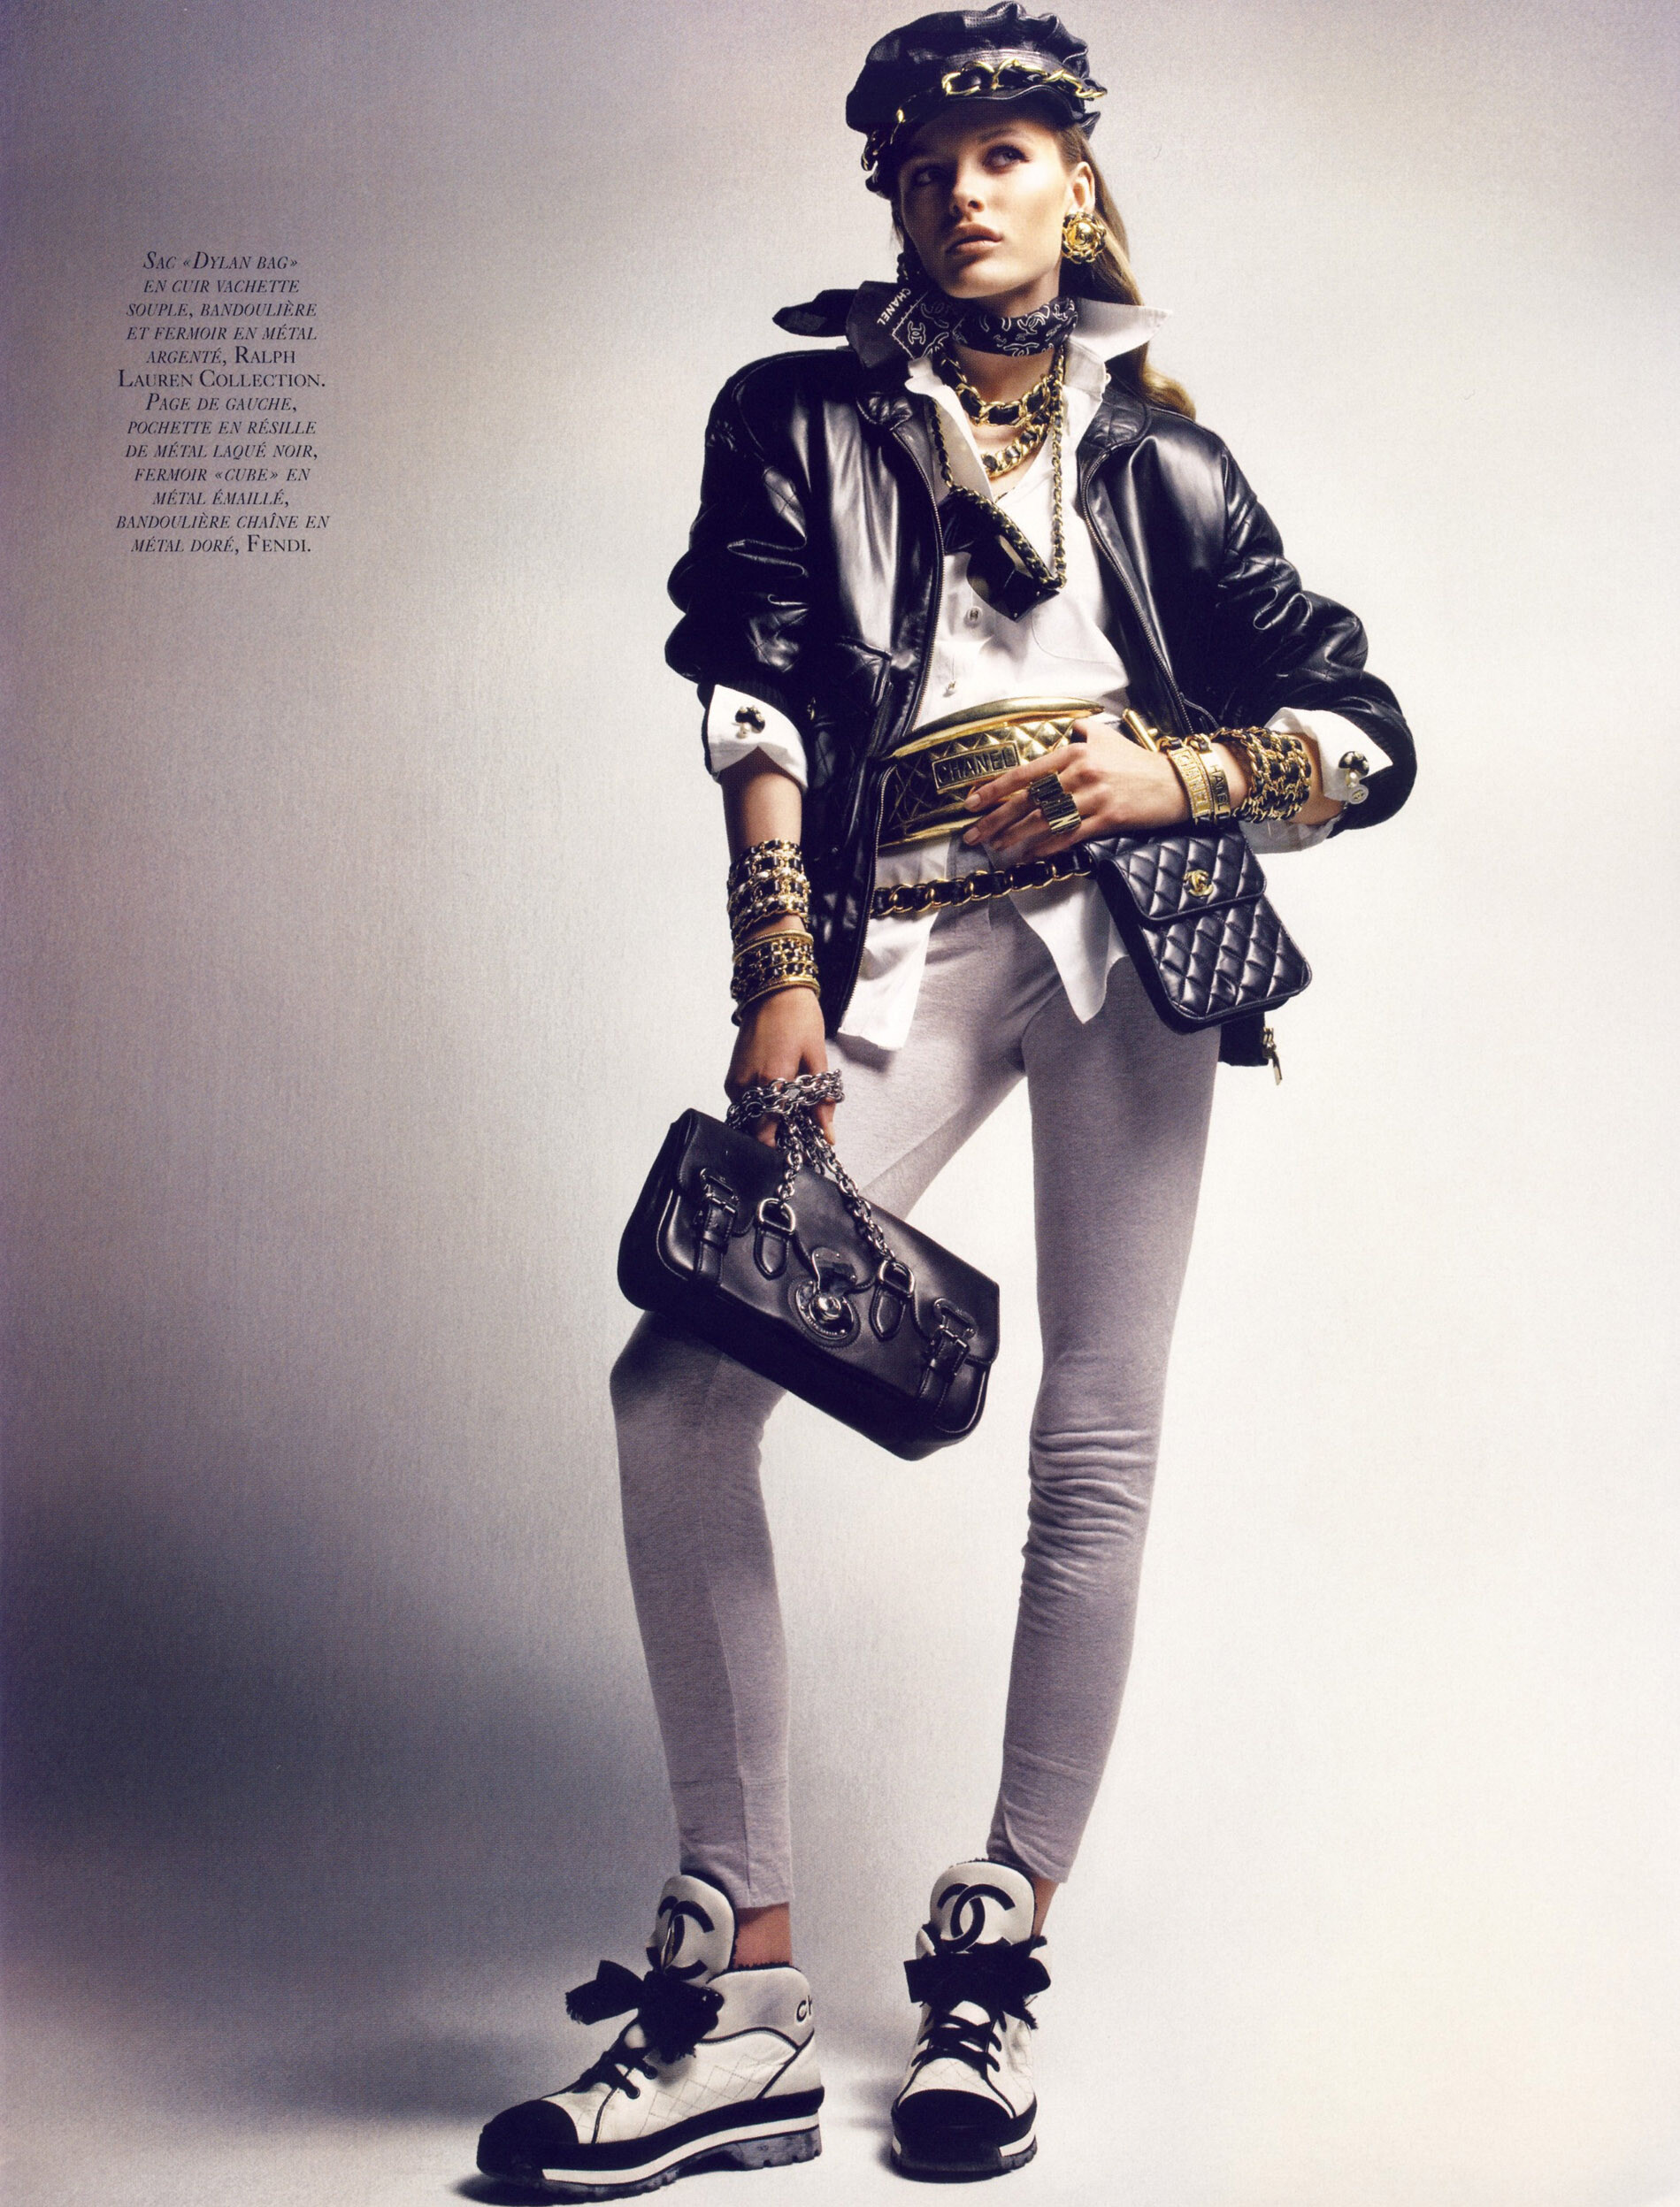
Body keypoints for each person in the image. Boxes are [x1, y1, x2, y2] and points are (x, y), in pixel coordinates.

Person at [476, 4, 1415, 2195]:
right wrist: (778, 974)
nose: (962, 187)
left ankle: (992, 1960)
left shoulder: (1164, 462)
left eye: (1003, 151)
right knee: (678, 1389)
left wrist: (1173, 773)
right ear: (888, 196)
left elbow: (1363, 726)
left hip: (1133, 943)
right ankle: (745, 1992)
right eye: (923, 160)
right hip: (894, 932)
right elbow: (753, 692)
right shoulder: (793, 417)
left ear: (1074, 179)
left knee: (1096, 1437)